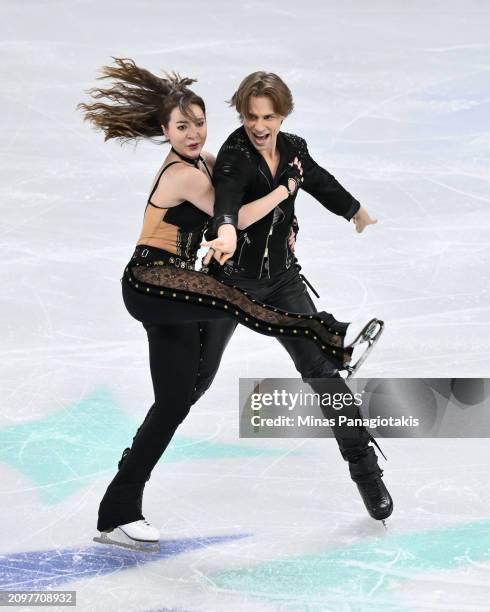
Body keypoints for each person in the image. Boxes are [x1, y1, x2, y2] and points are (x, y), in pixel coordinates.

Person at [77, 58, 356, 552]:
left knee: (177, 399)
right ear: (165, 131)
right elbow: (238, 214)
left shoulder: (207, 162)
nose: (193, 133)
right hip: (151, 281)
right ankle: (327, 335)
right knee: (238, 302)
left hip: (180, 286)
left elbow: (229, 206)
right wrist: (286, 189)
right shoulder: (183, 174)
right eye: (181, 126)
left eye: (199, 123)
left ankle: (117, 511)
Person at [200, 71, 393, 523]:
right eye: (252, 116)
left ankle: (366, 471)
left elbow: (320, 181)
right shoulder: (233, 156)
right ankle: (132, 485)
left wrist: (355, 211)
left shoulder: (293, 149)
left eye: (269, 116)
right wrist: (225, 228)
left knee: (323, 374)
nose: (260, 125)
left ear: (283, 115)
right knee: (190, 381)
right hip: (230, 286)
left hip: (283, 282)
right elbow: (226, 201)